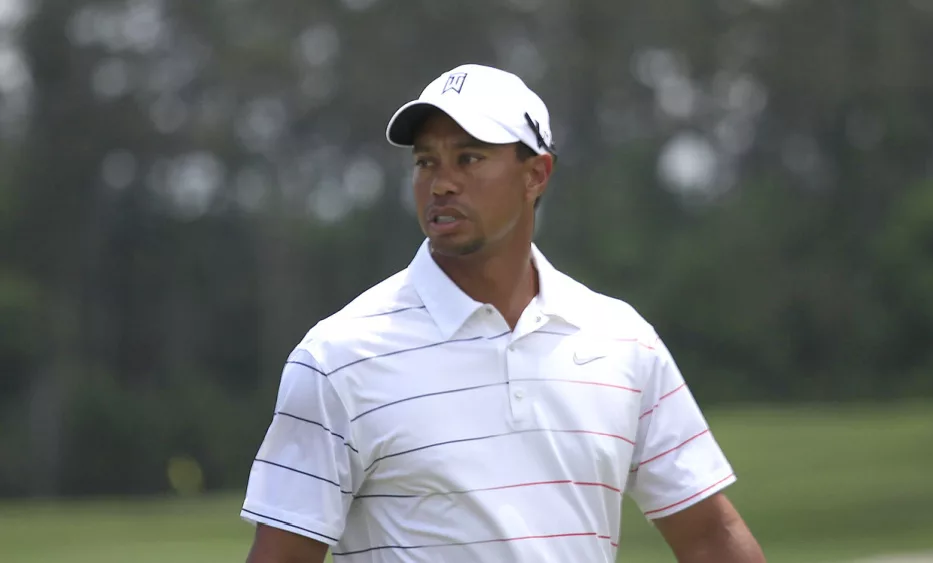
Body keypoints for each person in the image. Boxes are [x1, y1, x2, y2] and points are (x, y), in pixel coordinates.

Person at [241, 63, 766, 563]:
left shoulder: (624, 342)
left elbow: (709, 536)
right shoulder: (338, 358)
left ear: (536, 174)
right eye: (426, 162)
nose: (441, 183)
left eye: (468, 159)